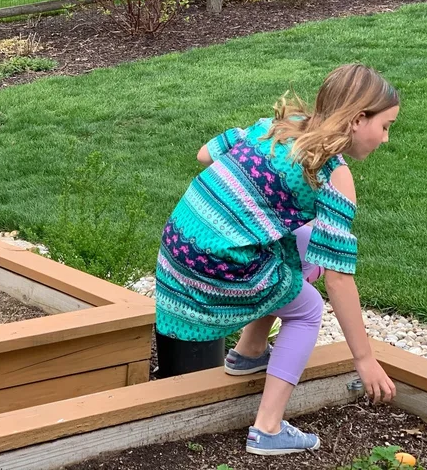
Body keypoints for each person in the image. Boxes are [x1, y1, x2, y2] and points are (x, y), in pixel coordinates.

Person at [154, 63, 400, 456]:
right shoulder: (333, 175)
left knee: (302, 246)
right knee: (308, 309)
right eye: (385, 126)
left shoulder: (280, 125)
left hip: (181, 245)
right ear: (357, 119)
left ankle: (248, 353)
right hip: (211, 268)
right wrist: (365, 359)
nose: (386, 138)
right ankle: (267, 429)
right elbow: (339, 280)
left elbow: (205, 154)